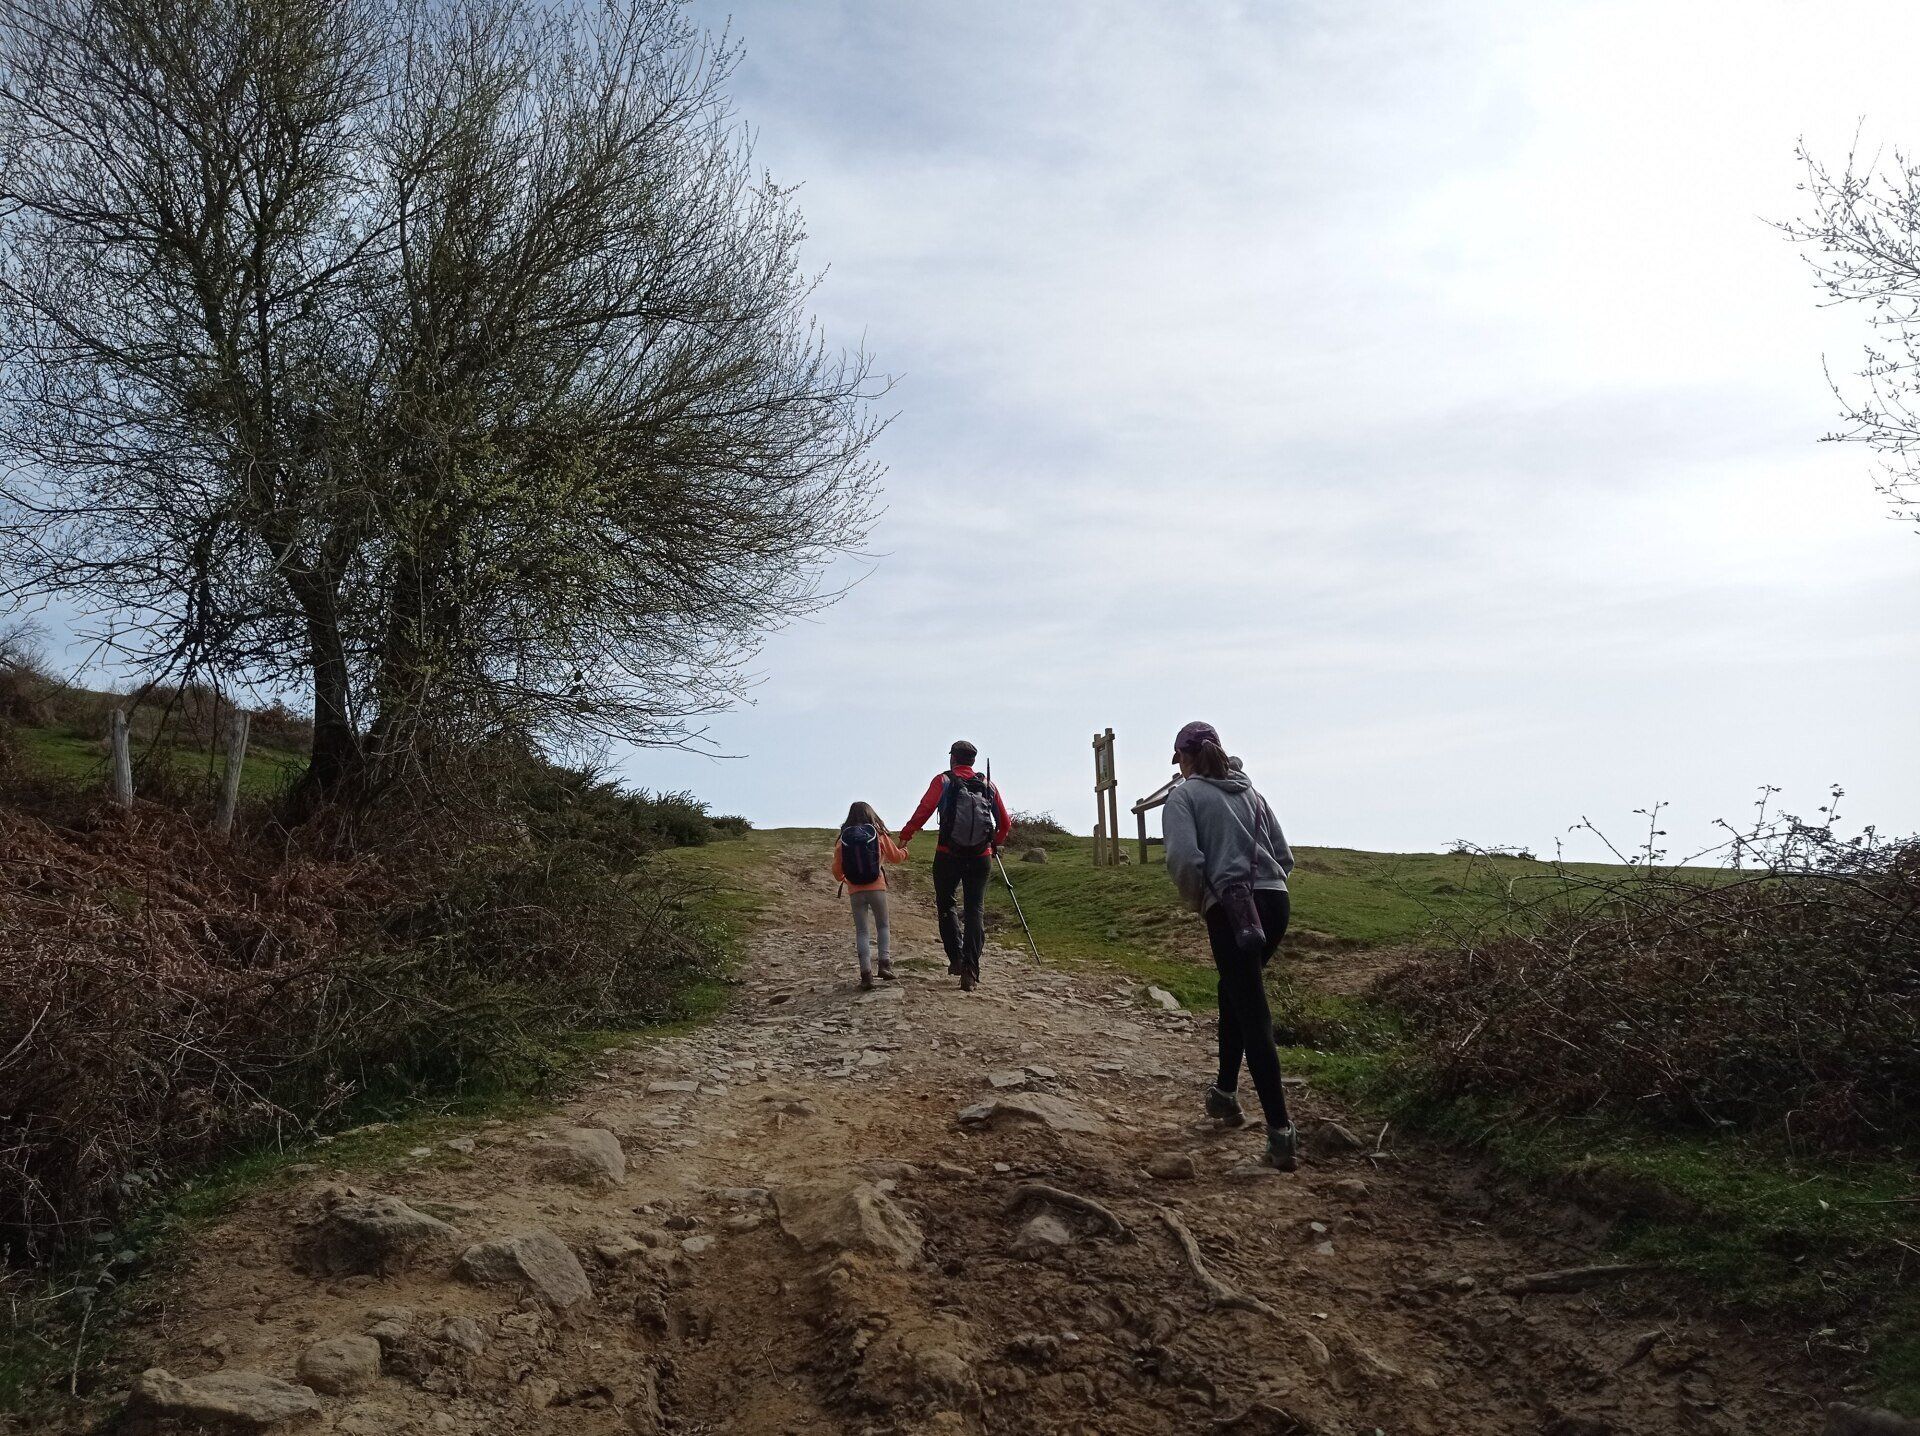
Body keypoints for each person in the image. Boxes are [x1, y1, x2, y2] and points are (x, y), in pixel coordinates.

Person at [1161, 721, 1300, 1170]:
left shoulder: (1184, 796)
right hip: (1276, 903)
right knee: (1233, 992)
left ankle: (1280, 1133)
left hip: (1232, 909)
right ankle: (1224, 1094)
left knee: (1252, 1010)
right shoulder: (1252, 794)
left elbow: (1183, 859)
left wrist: (1203, 899)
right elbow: (1285, 856)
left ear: (1184, 757)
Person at [898, 740, 1011, 991]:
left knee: (947, 904)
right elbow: (1005, 822)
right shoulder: (987, 785)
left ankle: (957, 959)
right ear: (972, 761)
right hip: (981, 856)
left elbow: (925, 809)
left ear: (953, 759)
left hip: (947, 854)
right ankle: (971, 969)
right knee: (975, 910)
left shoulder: (943, 781)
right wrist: (994, 844)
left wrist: (908, 833)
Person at [831, 802, 908, 990]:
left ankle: (866, 975)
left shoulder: (844, 839)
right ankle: (884, 964)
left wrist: (846, 877)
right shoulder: (878, 835)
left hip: (855, 889)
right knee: (882, 925)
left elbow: (836, 871)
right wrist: (905, 851)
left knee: (862, 931)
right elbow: (896, 857)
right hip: (877, 886)